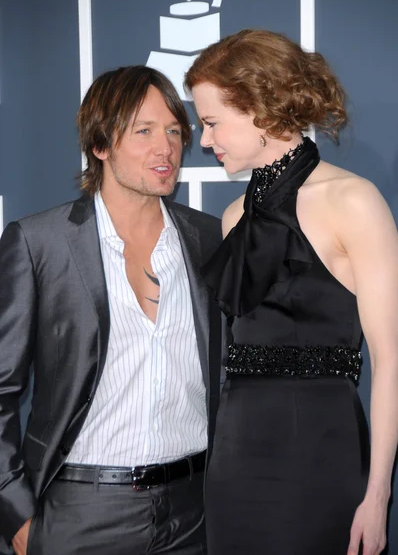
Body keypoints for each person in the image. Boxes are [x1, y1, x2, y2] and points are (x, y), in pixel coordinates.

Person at [184, 29, 398, 555]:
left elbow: (391, 360)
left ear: (259, 108)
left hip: (322, 453)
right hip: (233, 459)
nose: (204, 140)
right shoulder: (235, 216)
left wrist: (377, 495)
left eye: (211, 123)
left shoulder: (353, 201)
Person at [0, 65, 222, 555]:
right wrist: (17, 516)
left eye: (173, 131)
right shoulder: (40, 244)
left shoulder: (209, 239)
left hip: (193, 511)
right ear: (100, 145)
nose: (165, 148)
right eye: (143, 131)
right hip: (81, 511)